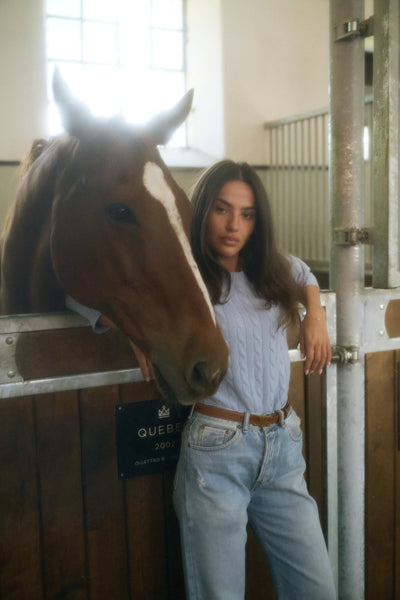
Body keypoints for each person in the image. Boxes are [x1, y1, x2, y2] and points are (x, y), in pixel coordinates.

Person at [66, 160, 336, 600]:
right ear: (202, 209)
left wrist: (316, 315)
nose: (234, 226)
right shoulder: (183, 273)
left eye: (247, 214)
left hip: (283, 447)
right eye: (222, 209)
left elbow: (304, 273)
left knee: (317, 590)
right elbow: (73, 291)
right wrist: (121, 323)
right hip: (218, 450)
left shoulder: (267, 269)